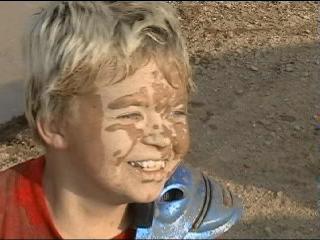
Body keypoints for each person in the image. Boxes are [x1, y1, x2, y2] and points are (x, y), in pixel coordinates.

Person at [0, 1, 242, 239]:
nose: (164, 137)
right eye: (131, 115)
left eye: (175, 113)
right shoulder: (7, 215)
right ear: (55, 123)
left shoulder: (185, 221)